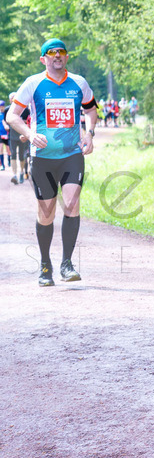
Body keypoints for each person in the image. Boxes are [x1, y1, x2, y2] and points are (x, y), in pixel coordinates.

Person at [6, 39, 98, 286]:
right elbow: (12, 115)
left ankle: (67, 264)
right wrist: (30, 133)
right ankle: (45, 264)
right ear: (43, 59)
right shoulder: (33, 83)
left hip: (72, 155)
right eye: (51, 52)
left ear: (66, 57)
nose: (57, 55)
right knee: (46, 213)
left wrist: (89, 134)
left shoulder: (79, 83)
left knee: (71, 204)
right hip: (42, 158)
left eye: (61, 52)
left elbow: (91, 110)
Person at [7, 92, 30, 184]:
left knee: (21, 155)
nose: (13, 100)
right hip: (12, 136)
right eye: (11, 98)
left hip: (22, 135)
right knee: (13, 154)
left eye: (14, 98)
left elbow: (29, 121)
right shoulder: (8, 109)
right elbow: (5, 121)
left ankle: (21, 173)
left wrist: (20, 122)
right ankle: (14, 175)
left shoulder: (25, 110)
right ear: (10, 100)